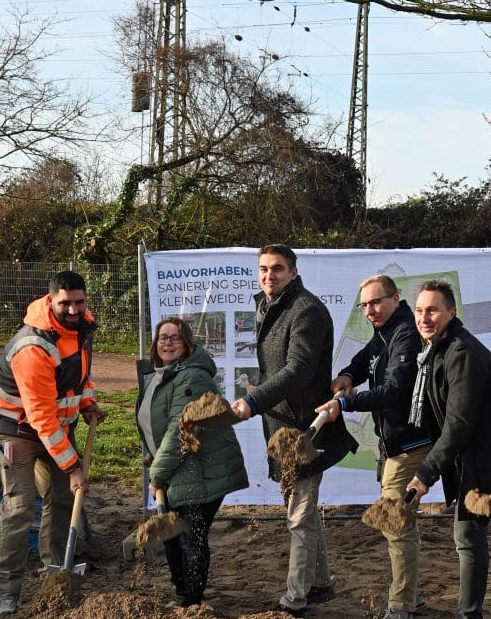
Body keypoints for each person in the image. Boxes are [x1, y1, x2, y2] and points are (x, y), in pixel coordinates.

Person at [230, 244, 358, 617]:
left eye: (278, 269)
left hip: (306, 429)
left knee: (299, 515)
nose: (269, 276)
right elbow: (279, 371)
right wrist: (261, 400)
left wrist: (253, 403)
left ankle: (296, 598)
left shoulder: (306, 310)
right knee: (300, 508)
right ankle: (320, 582)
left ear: (294, 271)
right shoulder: (269, 305)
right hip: (282, 426)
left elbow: (298, 370)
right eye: (264, 269)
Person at [0, 271, 107, 619]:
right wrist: (71, 467)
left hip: (57, 425)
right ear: (50, 299)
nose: (73, 309)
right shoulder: (33, 348)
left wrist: (87, 403)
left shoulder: (83, 327)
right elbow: (41, 417)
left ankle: (56, 577)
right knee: (20, 507)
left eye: (79, 302)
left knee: (64, 498)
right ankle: (5, 594)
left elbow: (79, 377)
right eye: (65, 303)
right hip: (18, 430)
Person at [315, 274, 431, 619]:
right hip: (396, 442)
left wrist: (346, 405)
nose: (369, 310)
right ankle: (412, 594)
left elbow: (394, 390)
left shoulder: (406, 334)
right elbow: (366, 360)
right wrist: (349, 376)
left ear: (395, 299)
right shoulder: (385, 332)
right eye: (364, 305)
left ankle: (401, 605)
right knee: (398, 522)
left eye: (376, 302)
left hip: (411, 442)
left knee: (394, 523)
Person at [404, 280, 491, 619]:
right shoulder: (438, 349)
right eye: (420, 311)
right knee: (467, 536)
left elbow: (459, 423)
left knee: (468, 537)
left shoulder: (461, 354)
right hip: (466, 457)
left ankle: (470, 614)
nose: (425, 318)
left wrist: (424, 474)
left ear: (451, 312)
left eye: (433, 310)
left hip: (480, 460)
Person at [137, 316, 248, 608]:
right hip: (177, 468)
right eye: (163, 337)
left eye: (175, 338)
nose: (168, 343)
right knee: (172, 535)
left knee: (188, 536)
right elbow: (153, 420)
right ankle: (183, 597)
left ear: (187, 344)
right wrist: (151, 452)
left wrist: (157, 475)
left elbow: (180, 430)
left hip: (202, 469)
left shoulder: (193, 377)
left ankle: (191, 601)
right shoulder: (158, 374)